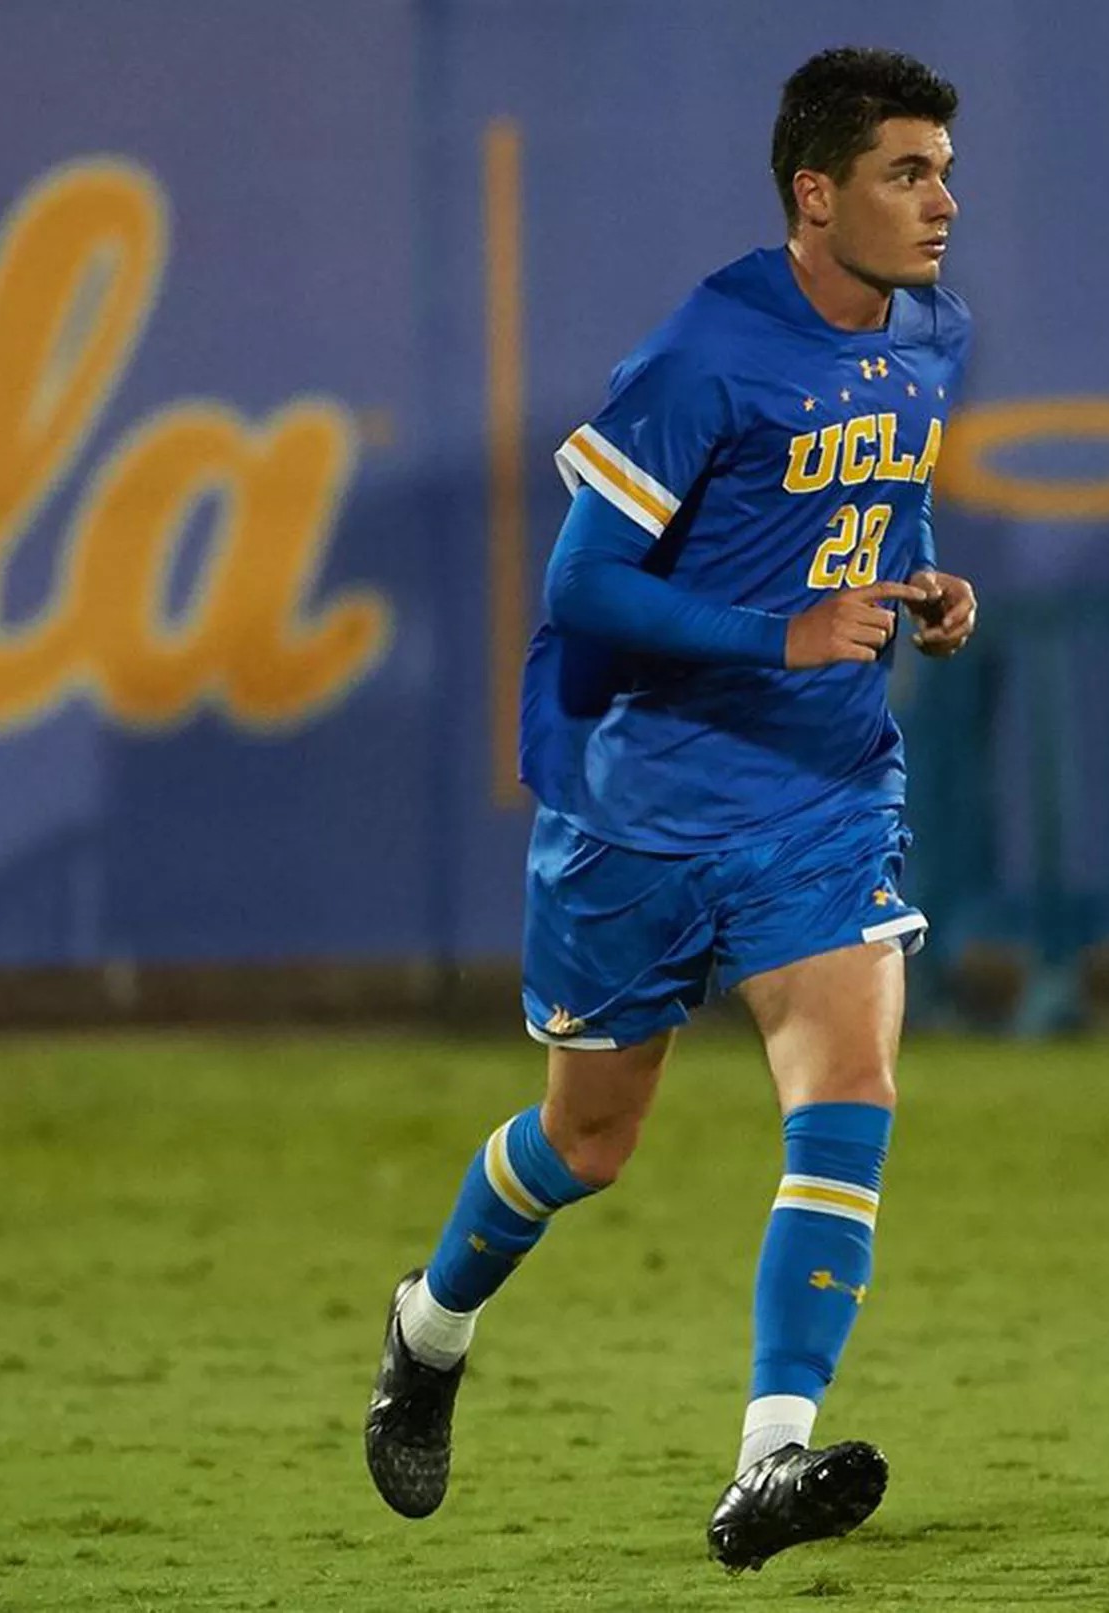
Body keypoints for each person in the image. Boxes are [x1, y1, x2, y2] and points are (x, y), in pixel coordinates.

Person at [365, 45, 976, 1575]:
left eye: (946, 169)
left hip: (822, 791)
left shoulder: (930, 339)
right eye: (907, 172)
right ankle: (430, 1329)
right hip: (639, 803)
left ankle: (768, 1460)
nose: (942, 202)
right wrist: (777, 632)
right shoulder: (704, 352)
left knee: (852, 1091)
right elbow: (582, 583)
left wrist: (925, 582)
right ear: (814, 193)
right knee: (587, 1140)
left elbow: (874, 501)